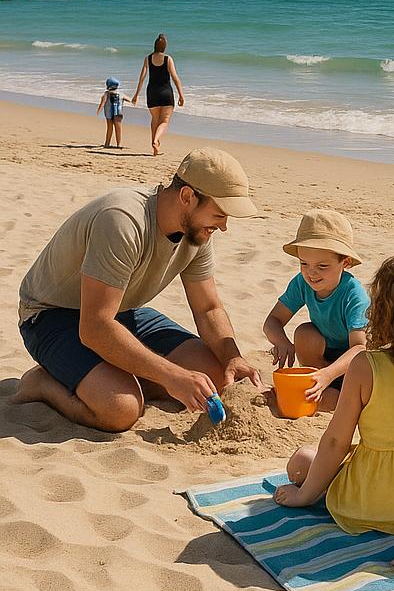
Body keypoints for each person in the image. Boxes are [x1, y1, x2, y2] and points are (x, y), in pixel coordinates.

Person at [14, 148, 263, 432]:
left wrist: (233, 357)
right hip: (50, 316)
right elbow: (94, 327)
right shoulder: (122, 220)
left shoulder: (197, 232)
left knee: (218, 378)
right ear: (187, 197)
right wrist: (172, 376)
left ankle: (111, 377)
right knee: (121, 409)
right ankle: (44, 384)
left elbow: (208, 308)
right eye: (219, 214)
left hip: (118, 310)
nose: (225, 226)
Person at [273, 251, 394, 537]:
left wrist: (304, 496)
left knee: (300, 461)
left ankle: (321, 493)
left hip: (369, 502)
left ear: (381, 310)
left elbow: (336, 441)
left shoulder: (365, 366)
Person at [262, 210, 370, 412]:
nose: (311, 273)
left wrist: (329, 374)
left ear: (345, 262)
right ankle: (317, 385)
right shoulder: (302, 283)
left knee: (332, 402)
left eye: (322, 266)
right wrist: (282, 342)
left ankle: (332, 391)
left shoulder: (354, 295)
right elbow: (272, 321)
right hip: (321, 358)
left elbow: (359, 349)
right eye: (304, 263)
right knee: (305, 333)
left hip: (352, 365)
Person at [131, 33, 184, 156]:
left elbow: (142, 78)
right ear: (165, 46)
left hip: (152, 93)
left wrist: (136, 94)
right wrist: (181, 95)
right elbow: (175, 78)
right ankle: (156, 140)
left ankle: (155, 148)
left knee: (155, 120)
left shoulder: (148, 59)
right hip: (166, 93)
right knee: (164, 121)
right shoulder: (168, 59)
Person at [96, 76, 127, 149]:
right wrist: (135, 100)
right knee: (118, 128)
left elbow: (103, 103)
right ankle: (118, 144)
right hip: (118, 113)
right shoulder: (121, 94)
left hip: (109, 113)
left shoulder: (106, 94)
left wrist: (98, 111)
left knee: (109, 128)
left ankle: (107, 143)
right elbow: (130, 100)